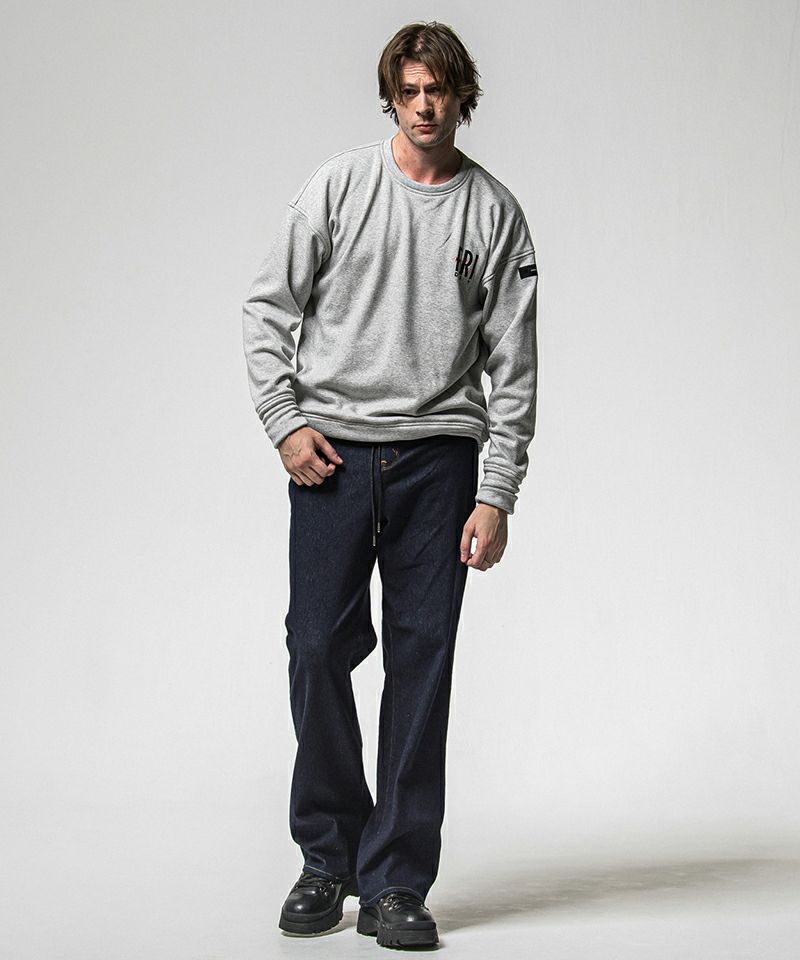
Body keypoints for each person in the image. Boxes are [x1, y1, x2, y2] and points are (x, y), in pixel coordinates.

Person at [241, 20, 539, 951]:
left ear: (460, 98)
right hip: (332, 456)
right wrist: (285, 421)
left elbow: (515, 366)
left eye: (436, 90)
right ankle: (326, 856)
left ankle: (397, 880)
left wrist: (497, 491)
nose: (423, 106)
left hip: (439, 464)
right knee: (315, 648)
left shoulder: (494, 214)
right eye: (408, 91)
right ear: (391, 98)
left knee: (422, 664)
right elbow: (266, 307)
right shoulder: (338, 188)